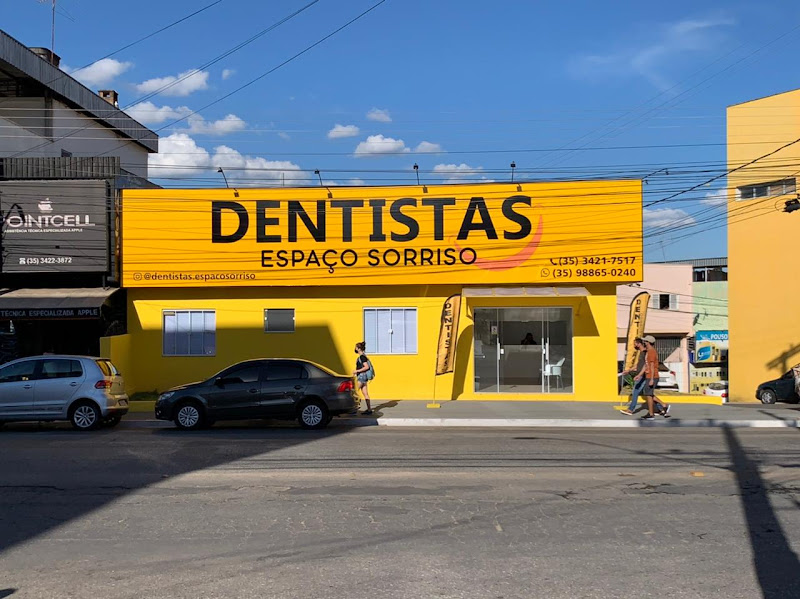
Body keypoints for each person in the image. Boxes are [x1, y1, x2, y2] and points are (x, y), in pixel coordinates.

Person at [641, 335, 670, 420]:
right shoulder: (648, 351)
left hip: (652, 376)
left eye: (645, 341)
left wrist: (652, 379)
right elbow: (646, 365)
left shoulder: (652, 352)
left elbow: (652, 365)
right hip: (649, 375)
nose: (644, 342)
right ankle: (664, 405)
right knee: (649, 394)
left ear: (648, 342)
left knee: (649, 395)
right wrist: (639, 375)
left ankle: (651, 414)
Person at [619, 337, 647, 415]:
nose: (634, 346)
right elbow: (638, 365)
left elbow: (645, 365)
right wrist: (628, 370)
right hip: (641, 375)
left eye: (635, 344)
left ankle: (631, 410)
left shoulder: (645, 352)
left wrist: (639, 375)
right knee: (648, 394)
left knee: (635, 392)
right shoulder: (641, 353)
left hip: (642, 376)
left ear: (639, 344)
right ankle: (662, 406)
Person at [353, 341, 374, 415]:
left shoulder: (362, 357)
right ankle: (369, 409)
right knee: (365, 394)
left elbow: (366, 367)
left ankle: (354, 408)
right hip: (364, 376)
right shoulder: (364, 356)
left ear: (359, 348)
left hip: (362, 376)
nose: (355, 348)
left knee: (354, 392)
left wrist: (357, 371)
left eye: (356, 347)